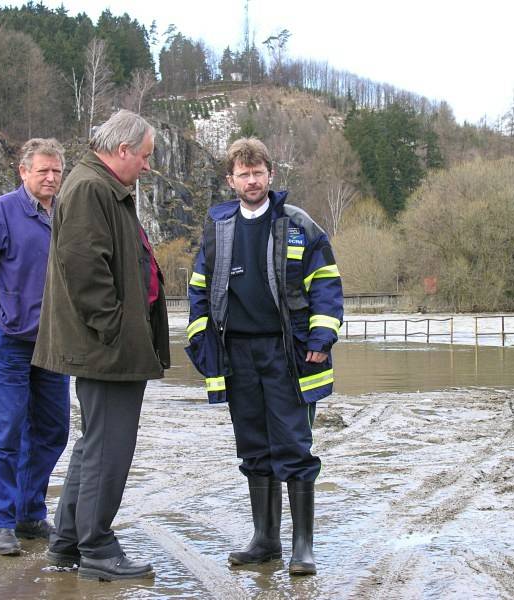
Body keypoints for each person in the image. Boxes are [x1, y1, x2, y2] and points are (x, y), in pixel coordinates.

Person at [186, 137, 344, 576]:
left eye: (258, 173)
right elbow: (198, 290)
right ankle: (265, 540)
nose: (251, 180)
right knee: (254, 448)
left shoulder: (298, 224)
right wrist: (202, 342)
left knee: (294, 446)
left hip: (286, 353)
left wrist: (320, 338)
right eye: (243, 173)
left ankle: (303, 546)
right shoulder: (217, 228)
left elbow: (327, 284)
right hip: (237, 353)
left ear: (270, 175)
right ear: (230, 179)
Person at [31, 110, 170, 581]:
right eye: (146, 156)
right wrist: (114, 329)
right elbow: (85, 267)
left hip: (106, 345)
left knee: (94, 445)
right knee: (109, 449)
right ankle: (97, 548)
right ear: (124, 150)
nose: (147, 166)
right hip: (106, 349)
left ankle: (67, 542)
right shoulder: (93, 188)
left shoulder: (98, 186)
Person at [0, 138, 70, 556]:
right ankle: (0, 522)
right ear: (23, 172)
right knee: (3, 432)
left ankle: (28, 512)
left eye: (56, 170)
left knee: (53, 430)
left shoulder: (65, 215)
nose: (50, 177)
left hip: (54, 344)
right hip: (8, 343)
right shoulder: (2, 211)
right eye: (42, 170)